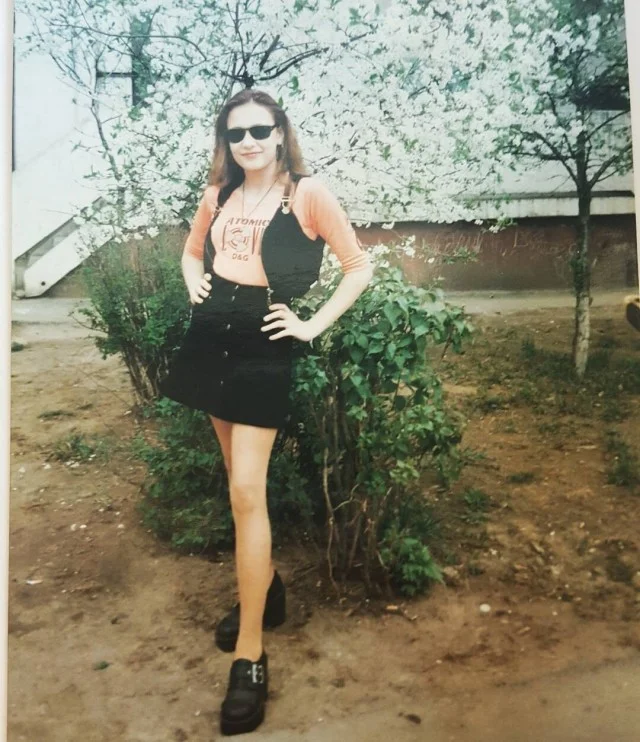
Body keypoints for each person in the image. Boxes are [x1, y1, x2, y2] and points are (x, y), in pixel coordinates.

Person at [159, 88, 374, 735]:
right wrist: (192, 281)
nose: (248, 142)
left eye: (259, 130)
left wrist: (311, 325)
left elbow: (357, 267)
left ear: (280, 132)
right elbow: (191, 252)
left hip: (262, 344)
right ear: (225, 141)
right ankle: (269, 591)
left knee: (248, 493)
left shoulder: (307, 195)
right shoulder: (218, 193)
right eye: (236, 133)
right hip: (210, 338)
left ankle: (250, 655)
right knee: (237, 486)